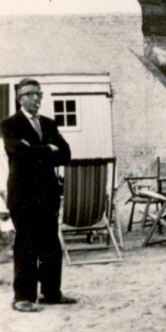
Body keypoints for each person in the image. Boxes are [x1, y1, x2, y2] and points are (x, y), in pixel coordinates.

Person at [1, 78, 76, 313]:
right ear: (20, 98)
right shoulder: (9, 124)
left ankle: (51, 293)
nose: (36, 98)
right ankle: (22, 297)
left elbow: (65, 154)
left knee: (51, 245)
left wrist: (35, 151)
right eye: (31, 94)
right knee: (26, 245)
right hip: (23, 196)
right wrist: (46, 150)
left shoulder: (49, 124)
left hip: (47, 195)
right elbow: (17, 151)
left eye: (39, 94)